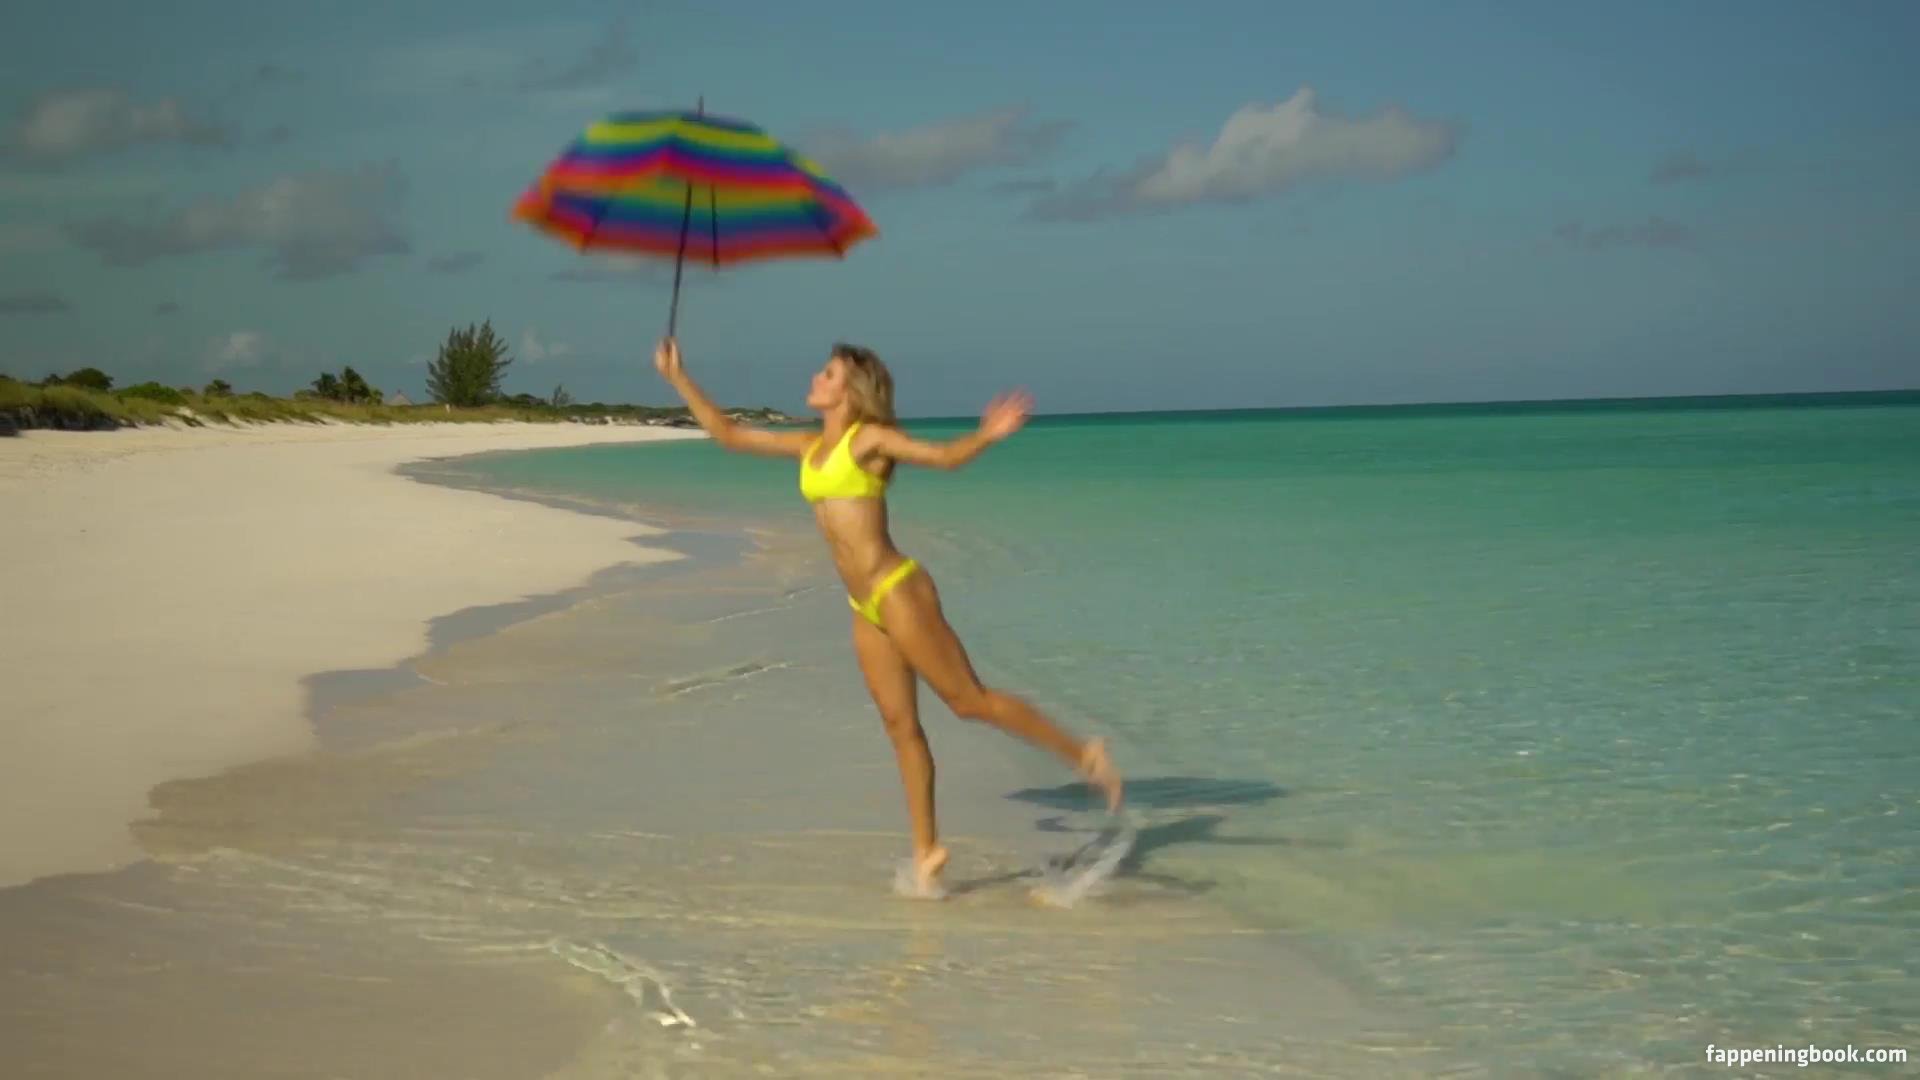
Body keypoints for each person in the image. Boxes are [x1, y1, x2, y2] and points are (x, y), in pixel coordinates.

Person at [652, 337, 1123, 895]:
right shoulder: (808, 446)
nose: (816, 378)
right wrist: (678, 377)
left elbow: (942, 458)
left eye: (828, 374)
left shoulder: (868, 440)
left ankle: (1084, 754)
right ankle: (927, 853)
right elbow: (729, 435)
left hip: (898, 590)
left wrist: (985, 435)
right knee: (900, 727)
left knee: (968, 702)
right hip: (863, 605)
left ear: (851, 393)